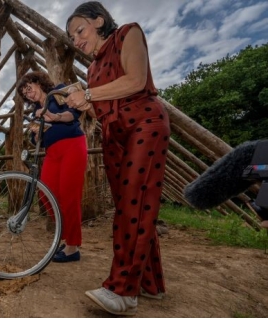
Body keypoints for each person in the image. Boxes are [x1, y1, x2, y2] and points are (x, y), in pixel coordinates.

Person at [65, 1, 171, 316]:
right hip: (114, 134)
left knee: (133, 206)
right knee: (133, 207)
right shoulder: (93, 68)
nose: (76, 40)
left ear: (99, 20)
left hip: (144, 122)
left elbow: (136, 81)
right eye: (71, 38)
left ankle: (123, 290)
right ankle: (150, 285)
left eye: (79, 30)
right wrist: (86, 103)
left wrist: (87, 94)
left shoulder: (128, 34)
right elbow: (101, 109)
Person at [17, 71, 88, 263]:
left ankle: (72, 248)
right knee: (46, 195)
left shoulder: (57, 93)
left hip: (72, 145)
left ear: (38, 83)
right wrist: (36, 135)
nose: (28, 94)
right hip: (52, 153)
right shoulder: (34, 113)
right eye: (25, 93)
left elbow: (73, 115)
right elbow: (34, 139)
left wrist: (52, 117)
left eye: (29, 88)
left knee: (69, 196)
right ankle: (65, 236)